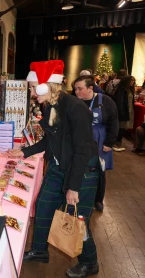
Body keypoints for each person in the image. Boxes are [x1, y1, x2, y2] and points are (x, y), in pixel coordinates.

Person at [17, 60, 100, 278]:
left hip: (81, 171)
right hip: (57, 166)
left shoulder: (75, 108)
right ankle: (39, 250)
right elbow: (50, 140)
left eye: (35, 87)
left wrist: (73, 187)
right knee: (43, 205)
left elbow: (82, 151)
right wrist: (24, 151)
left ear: (47, 85)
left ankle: (90, 262)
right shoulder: (50, 105)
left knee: (78, 218)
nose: (33, 93)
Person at [73, 75, 118, 212]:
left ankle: (98, 199)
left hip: (99, 139)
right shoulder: (74, 101)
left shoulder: (105, 101)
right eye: (75, 89)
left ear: (90, 88)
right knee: (79, 167)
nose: (76, 92)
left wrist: (109, 142)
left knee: (98, 170)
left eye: (79, 89)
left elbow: (114, 122)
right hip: (79, 139)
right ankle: (77, 195)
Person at [113, 76, 135, 152]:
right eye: (131, 81)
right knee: (121, 127)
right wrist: (121, 112)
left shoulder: (130, 89)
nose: (132, 82)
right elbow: (120, 102)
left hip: (129, 110)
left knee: (123, 127)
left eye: (133, 81)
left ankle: (118, 142)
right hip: (123, 111)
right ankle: (116, 143)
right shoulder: (121, 90)